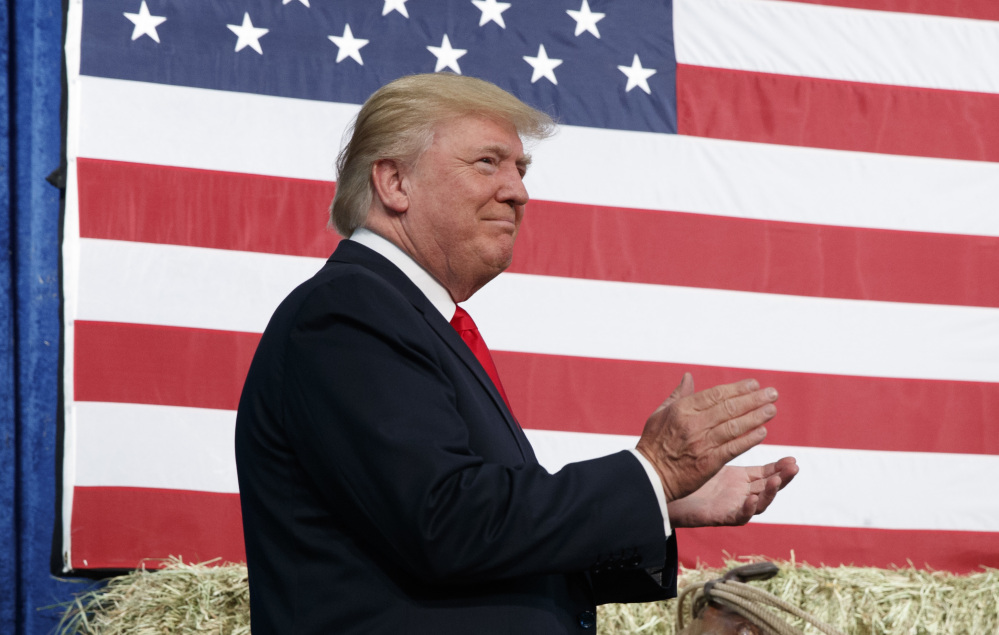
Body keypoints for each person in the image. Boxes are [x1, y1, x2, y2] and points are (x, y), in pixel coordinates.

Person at [235, 72, 798, 634]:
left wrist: (657, 500)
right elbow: (447, 526)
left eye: (521, 169)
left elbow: (491, 547)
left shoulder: (409, 317)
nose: (518, 192)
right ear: (394, 182)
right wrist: (652, 471)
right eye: (488, 163)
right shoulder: (347, 311)